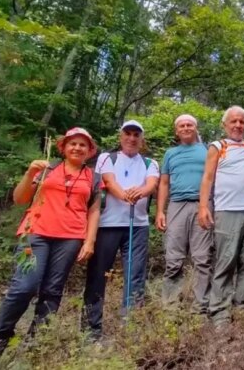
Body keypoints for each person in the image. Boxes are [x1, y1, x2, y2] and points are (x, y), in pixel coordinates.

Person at [0, 127, 101, 355]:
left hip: (70, 238)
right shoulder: (46, 169)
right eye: (73, 143)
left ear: (90, 151)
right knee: (24, 286)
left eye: (83, 145)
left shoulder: (94, 177)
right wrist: (30, 173)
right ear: (63, 147)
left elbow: (94, 211)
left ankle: (36, 340)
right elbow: (20, 199)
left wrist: (89, 242)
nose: (77, 148)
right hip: (34, 233)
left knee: (52, 290)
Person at [82, 120, 159, 340]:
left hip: (138, 226)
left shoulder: (150, 163)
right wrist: (127, 195)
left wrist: (141, 192)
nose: (132, 138)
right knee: (98, 276)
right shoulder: (107, 158)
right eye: (128, 134)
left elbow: (151, 184)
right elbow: (109, 182)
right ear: (121, 136)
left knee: (135, 277)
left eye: (136, 135)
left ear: (141, 139)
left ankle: (131, 329)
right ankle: (91, 331)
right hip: (107, 225)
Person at [198, 106, 244, 327]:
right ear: (225, 125)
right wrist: (203, 207)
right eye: (233, 122)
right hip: (227, 210)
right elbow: (207, 178)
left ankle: (242, 304)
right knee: (226, 261)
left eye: (242, 122)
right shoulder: (218, 146)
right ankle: (219, 312)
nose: (238, 125)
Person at [156, 114, 212, 315]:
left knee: (202, 258)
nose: (186, 128)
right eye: (182, 125)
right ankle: (171, 308)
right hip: (176, 206)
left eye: (190, 125)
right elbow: (163, 183)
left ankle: (200, 308)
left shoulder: (208, 150)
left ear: (196, 128)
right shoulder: (170, 153)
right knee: (173, 258)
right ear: (176, 130)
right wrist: (160, 211)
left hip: (203, 205)